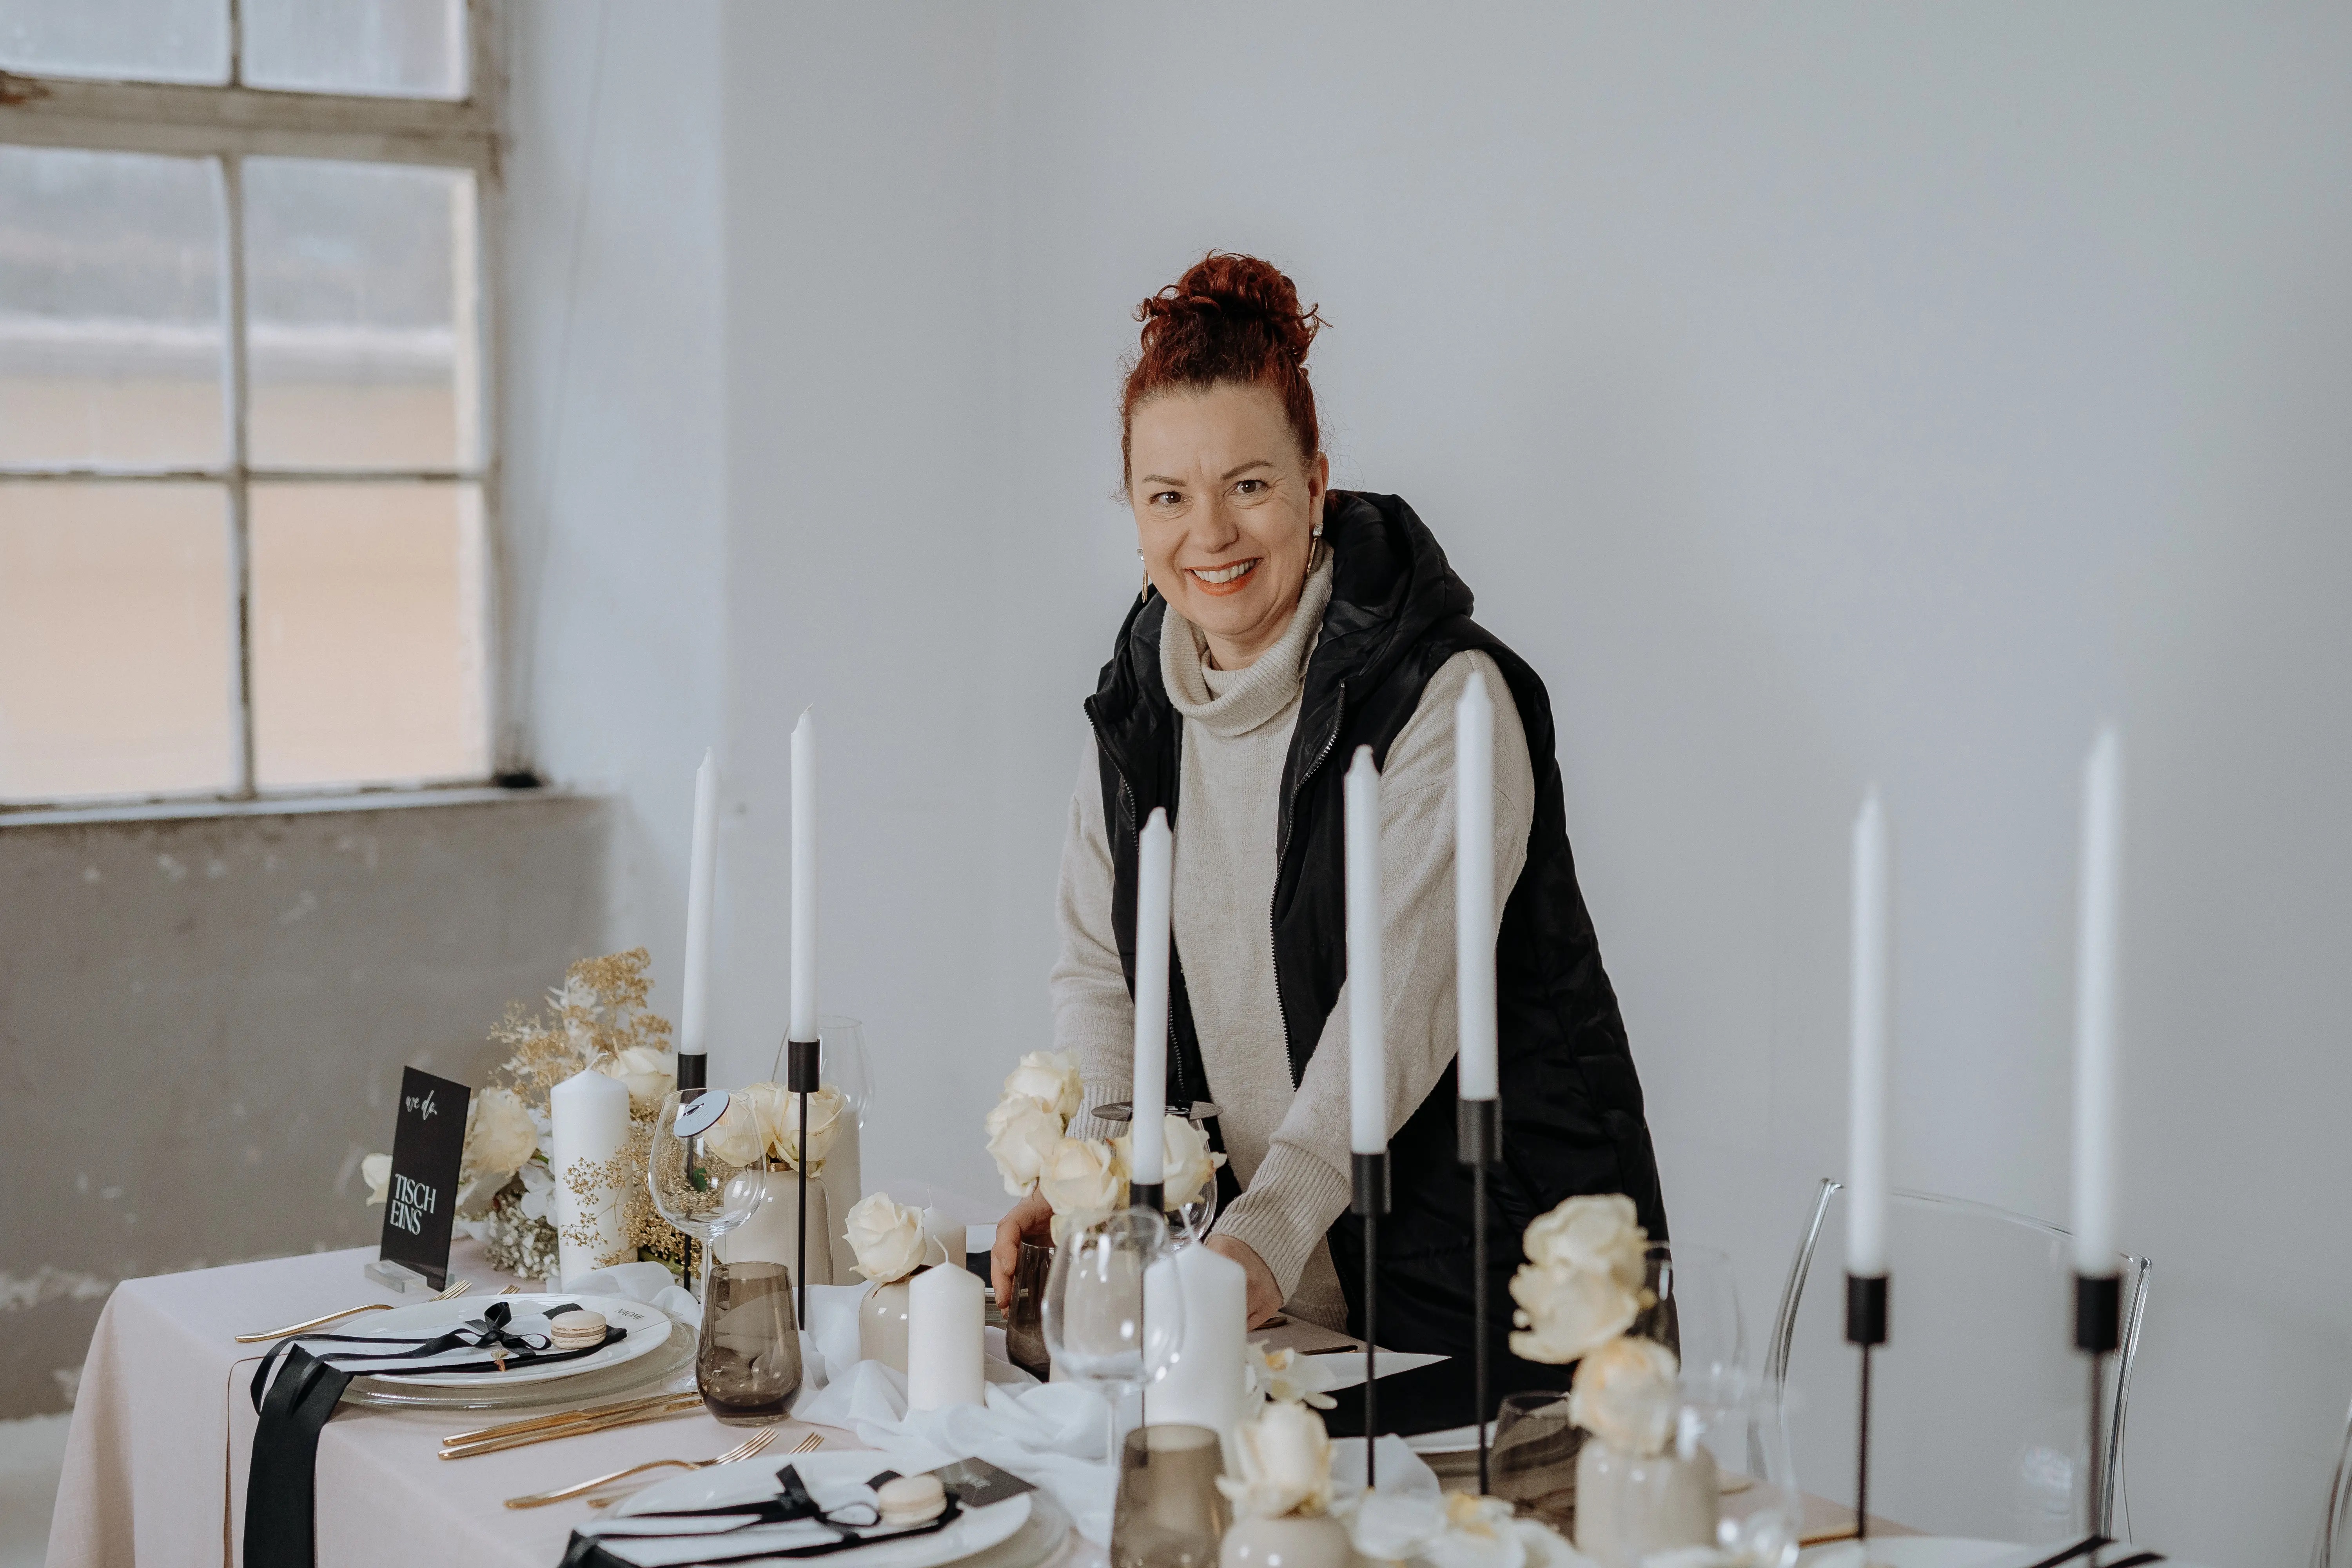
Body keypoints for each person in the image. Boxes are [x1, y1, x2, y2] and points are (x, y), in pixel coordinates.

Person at [992, 252, 1665, 1428]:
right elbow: (1100, 969)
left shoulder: (1444, 699)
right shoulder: (1141, 702)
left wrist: (1258, 1239)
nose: (1209, 532)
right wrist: (1096, 1193)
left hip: (1486, 1313)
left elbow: (1396, 1012)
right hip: (1274, 1318)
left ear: (1316, 485)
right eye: (1167, 495)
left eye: (1249, 485)